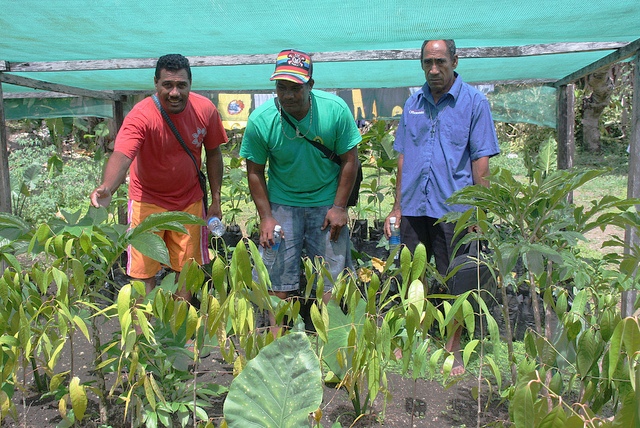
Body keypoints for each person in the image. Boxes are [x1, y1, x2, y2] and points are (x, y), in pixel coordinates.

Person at [385, 40, 500, 375]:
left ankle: (453, 351)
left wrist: (480, 211)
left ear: (454, 61)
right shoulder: (412, 103)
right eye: (427, 63)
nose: (433, 70)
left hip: (456, 210)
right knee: (412, 277)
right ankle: (414, 340)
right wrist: (397, 206)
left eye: (440, 62)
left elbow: (481, 160)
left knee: (459, 280)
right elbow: (403, 155)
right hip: (415, 207)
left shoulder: (474, 103)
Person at [90, 53, 228, 301]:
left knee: (186, 271)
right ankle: (145, 336)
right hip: (147, 201)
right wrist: (108, 187)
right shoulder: (141, 115)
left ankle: (178, 332)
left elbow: (214, 154)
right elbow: (122, 155)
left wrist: (215, 200)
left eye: (181, 85)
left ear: (190, 84)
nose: (174, 92)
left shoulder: (205, 110)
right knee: (143, 274)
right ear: (156, 83)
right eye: (167, 85)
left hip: (189, 201)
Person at [240, 49, 361, 331]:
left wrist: (340, 207)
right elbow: (255, 172)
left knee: (330, 276)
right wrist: (266, 217)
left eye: (296, 88)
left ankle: (331, 343)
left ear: (311, 86)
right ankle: (276, 342)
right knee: (277, 275)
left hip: (326, 201)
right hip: (283, 202)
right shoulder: (262, 120)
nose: (288, 95)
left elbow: (349, 160)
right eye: (282, 88)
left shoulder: (334, 110)